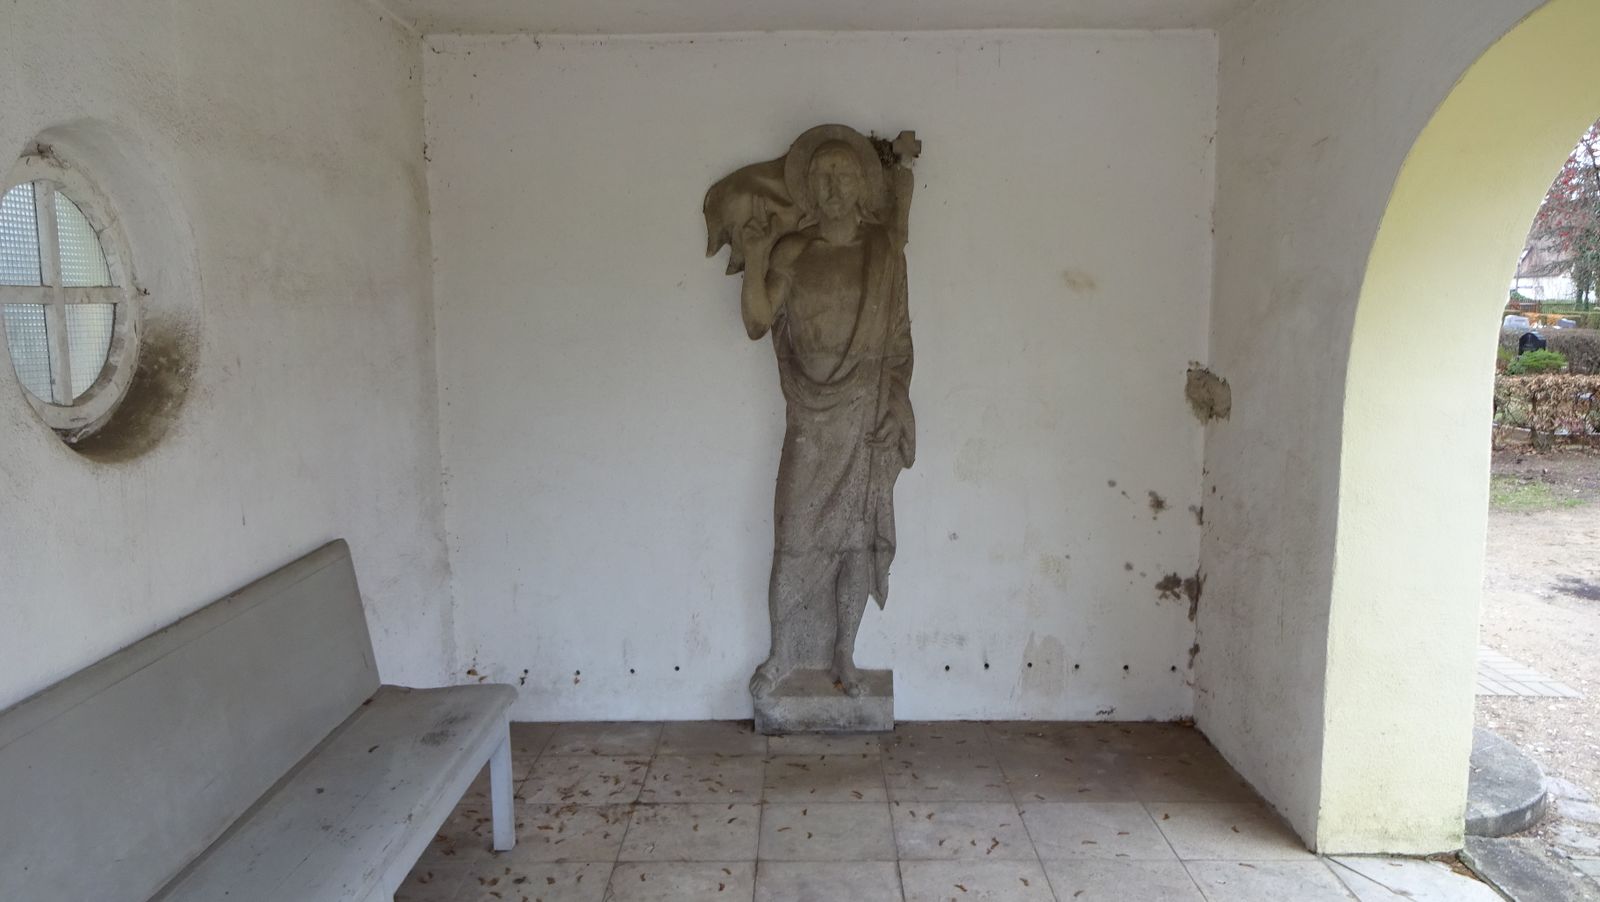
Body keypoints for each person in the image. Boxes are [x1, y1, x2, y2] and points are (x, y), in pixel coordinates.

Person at [736, 126, 915, 699]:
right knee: (792, 535)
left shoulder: (883, 252)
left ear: (863, 184)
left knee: (855, 543)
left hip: (864, 418)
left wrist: (895, 404)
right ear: (809, 189)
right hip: (810, 421)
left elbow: (899, 346)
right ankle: (782, 653)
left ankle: (844, 654)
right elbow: (758, 321)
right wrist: (757, 256)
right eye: (822, 177)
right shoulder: (794, 251)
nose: (834, 187)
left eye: (844, 176)